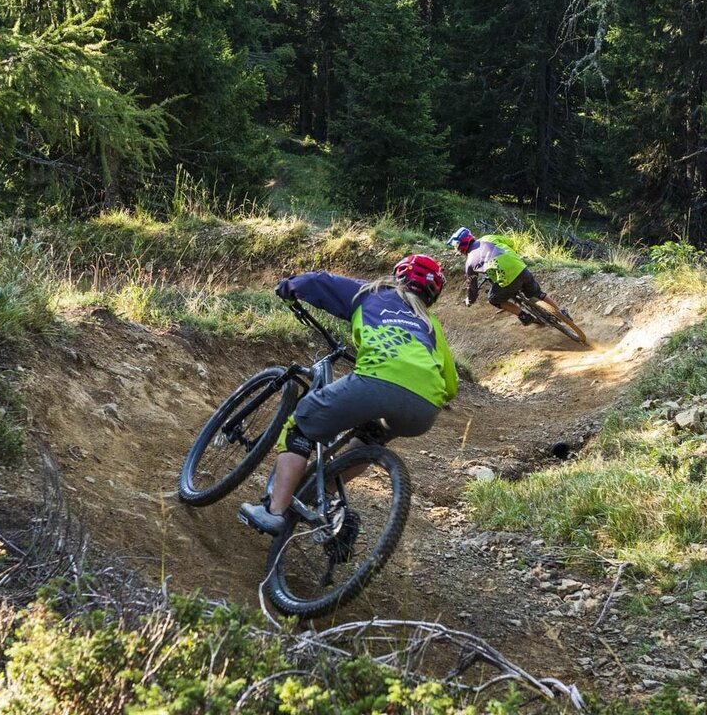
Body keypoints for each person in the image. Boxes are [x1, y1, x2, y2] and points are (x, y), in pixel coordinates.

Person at [239, 255, 459, 535]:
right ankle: (321, 495)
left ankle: (274, 511)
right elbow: (451, 386)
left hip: (377, 381)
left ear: (398, 276)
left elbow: (320, 282)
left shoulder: (372, 292)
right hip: (425, 407)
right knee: (368, 441)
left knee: (300, 426)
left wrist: (288, 287)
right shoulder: (431, 324)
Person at [446, 226, 570, 326]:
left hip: (507, 280)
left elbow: (472, 287)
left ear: (461, 248)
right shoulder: (488, 238)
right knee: (537, 293)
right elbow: (511, 243)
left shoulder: (469, 263)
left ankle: (524, 316)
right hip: (521, 267)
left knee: (493, 299)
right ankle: (561, 312)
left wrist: (470, 300)